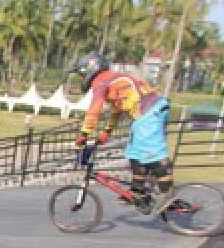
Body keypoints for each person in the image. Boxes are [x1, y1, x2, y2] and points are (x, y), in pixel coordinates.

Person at [72, 52, 173, 213]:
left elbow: (94, 110)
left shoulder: (101, 81)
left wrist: (83, 134)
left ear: (91, 68)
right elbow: (117, 109)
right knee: (134, 152)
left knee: (154, 155)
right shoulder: (113, 79)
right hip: (146, 114)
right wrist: (107, 131)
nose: (82, 77)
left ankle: (168, 196)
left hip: (149, 113)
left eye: (82, 73)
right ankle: (137, 192)